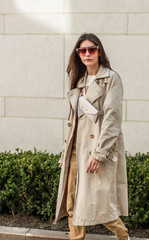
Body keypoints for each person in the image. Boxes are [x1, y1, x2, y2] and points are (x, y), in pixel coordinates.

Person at [53, 33, 129, 240]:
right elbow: (73, 123)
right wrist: (64, 155)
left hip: (97, 150)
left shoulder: (111, 79)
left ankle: (123, 235)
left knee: (99, 203)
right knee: (72, 203)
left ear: (99, 51)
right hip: (76, 150)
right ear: (78, 54)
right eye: (82, 50)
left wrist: (99, 154)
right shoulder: (79, 81)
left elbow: (113, 120)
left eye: (91, 49)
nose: (87, 54)